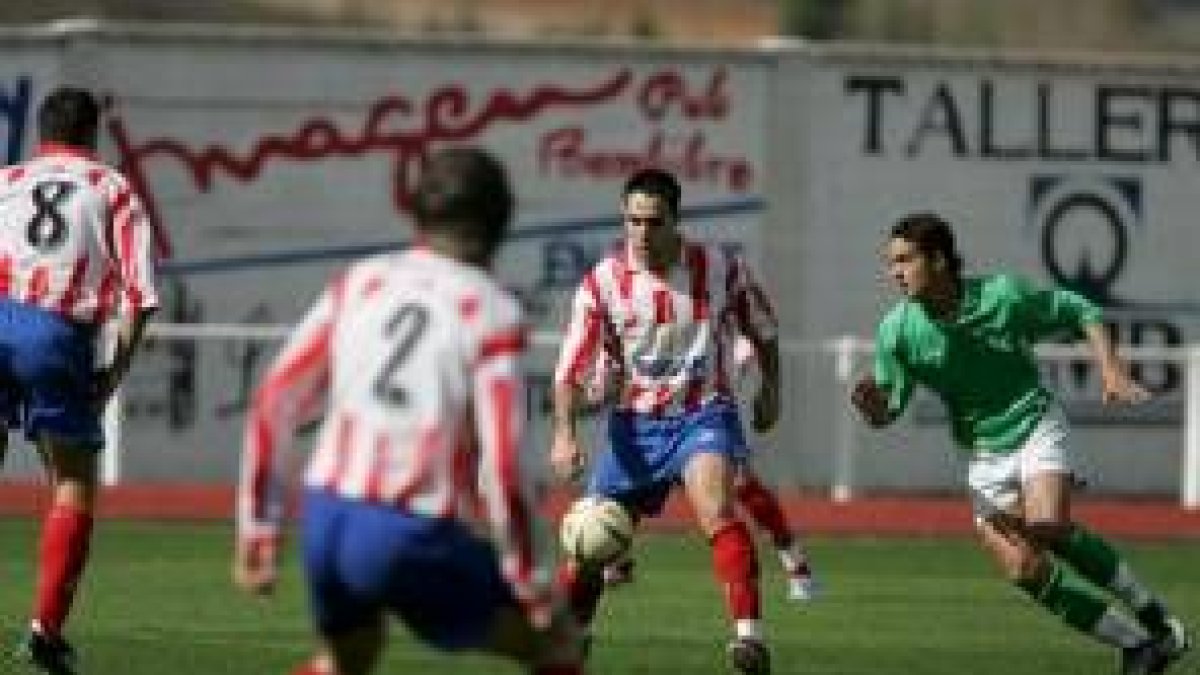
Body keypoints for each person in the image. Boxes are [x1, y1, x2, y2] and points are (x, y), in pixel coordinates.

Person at [233, 147, 584, 675]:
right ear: (500, 223)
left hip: (326, 517)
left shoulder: (362, 281)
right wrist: (531, 581)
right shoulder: (490, 312)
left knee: (346, 660)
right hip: (408, 532)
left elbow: (273, 400)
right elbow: (507, 467)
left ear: (416, 212)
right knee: (557, 643)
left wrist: (260, 526)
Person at [850, 213, 1191, 675]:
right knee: (1024, 571)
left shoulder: (1002, 297)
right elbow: (887, 411)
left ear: (939, 260)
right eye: (891, 263)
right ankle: (1137, 646)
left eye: (904, 260)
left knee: (1047, 522)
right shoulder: (898, 331)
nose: (894, 272)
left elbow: (1080, 309)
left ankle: (1155, 615)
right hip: (980, 454)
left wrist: (1110, 368)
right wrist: (872, 406)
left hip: (1034, 425)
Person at [550, 168, 779, 674]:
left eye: (653, 223)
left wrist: (771, 391)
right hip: (635, 426)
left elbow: (763, 328)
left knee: (716, 510)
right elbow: (569, 369)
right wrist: (565, 434)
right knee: (588, 543)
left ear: (677, 220)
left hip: (704, 414)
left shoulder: (721, 267)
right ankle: (574, 639)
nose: (642, 234)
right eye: (633, 222)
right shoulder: (602, 283)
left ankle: (748, 638)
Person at [0, 87, 159, 674]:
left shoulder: (7, 179)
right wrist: (113, 374)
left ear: (42, 132)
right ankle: (45, 631)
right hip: (52, 333)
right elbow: (141, 299)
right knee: (72, 480)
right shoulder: (113, 189)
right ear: (94, 134)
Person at [592, 336, 818, 602]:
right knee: (633, 476)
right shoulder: (638, 311)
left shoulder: (720, 307)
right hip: (655, 417)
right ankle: (617, 556)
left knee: (742, 484)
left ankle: (796, 564)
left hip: (707, 409)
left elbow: (748, 345)